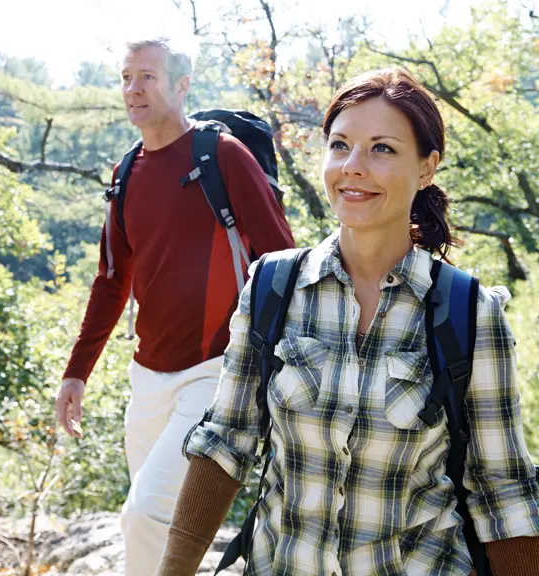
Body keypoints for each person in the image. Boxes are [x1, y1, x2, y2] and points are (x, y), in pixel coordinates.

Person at [156, 68, 539, 576]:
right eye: (340, 146)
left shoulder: (469, 311)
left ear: (427, 168)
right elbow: (227, 443)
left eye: (382, 149)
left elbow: (503, 491)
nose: (353, 167)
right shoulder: (273, 288)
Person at [54, 36, 294, 575]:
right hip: (147, 376)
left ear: (181, 86)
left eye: (148, 77)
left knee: (142, 516)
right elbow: (111, 280)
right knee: (158, 527)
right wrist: (77, 373)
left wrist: (282, 367)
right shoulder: (126, 173)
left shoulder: (221, 157)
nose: (134, 89)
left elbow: (282, 259)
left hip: (215, 371)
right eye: (126, 78)